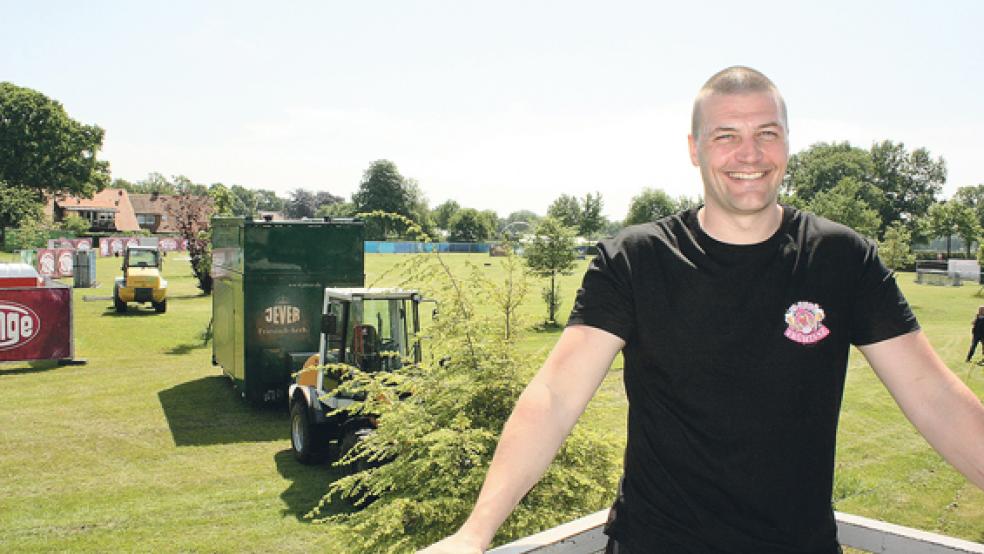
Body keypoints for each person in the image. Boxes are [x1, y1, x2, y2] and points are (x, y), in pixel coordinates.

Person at [420, 66, 984, 554]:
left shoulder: (841, 258)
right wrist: (476, 533)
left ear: (788, 144)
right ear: (694, 148)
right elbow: (555, 396)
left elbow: (936, 398)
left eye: (767, 133)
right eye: (725, 136)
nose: (749, 155)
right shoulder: (636, 260)